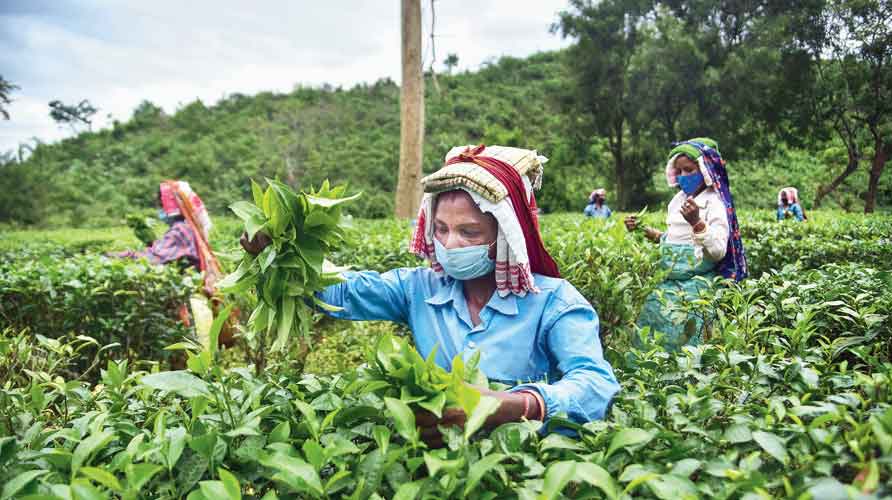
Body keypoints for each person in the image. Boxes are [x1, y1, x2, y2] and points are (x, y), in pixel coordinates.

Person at [242, 145, 620, 446]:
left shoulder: (554, 302)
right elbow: (344, 291)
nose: (450, 244)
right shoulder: (419, 289)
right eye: (441, 229)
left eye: (469, 233)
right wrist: (281, 254)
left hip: (521, 469)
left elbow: (594, 384)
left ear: (505, 237)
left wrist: (507, 407)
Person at [624, 138, 747, 351]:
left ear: (705, 170)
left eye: (689, 170)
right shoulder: (677, 200)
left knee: (689, 341)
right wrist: (642, 229)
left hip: (695, 285)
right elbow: (672, 238)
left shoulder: (714, 202)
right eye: (678, 171)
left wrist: (697, 223)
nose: (683, 177)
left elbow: (718, 251)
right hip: (667, 283)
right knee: (652, 336)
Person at [119, 180, 233, 346]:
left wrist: (122, 255)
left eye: (161, 204)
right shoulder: (188, 228)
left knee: (193, 354)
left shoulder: (181, 230)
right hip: (199, 304)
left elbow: (155, 259)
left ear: (168, 206)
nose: (160, 210)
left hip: (190, 305)